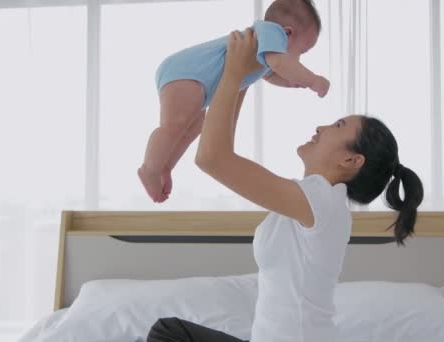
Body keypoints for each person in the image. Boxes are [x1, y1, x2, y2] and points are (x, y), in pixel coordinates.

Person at [146, 28, 424, 342]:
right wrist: (241, 78)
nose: (322, 127)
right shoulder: (316, 201)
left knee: (168, 334)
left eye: (338, 126)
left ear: (352, 160)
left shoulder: (321, 200)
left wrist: (235, 72)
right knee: (169, 332)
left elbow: (212, 158)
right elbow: (221, 152)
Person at [138, 0, 329, 203]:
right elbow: (280, 63)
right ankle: (149, 168)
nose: (298, 59)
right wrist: (312, 80)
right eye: (303, 51)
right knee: (174, 124)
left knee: (190, 129)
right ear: (287, 33)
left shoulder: (265, 51)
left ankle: (165, 165)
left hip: (196, 83)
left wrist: (291, 81)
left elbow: (270, 74)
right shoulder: (272, 33)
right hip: (186, 73)